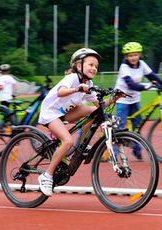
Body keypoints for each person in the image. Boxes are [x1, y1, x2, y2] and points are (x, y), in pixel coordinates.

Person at [37, 48, 121, 196]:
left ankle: (80, 146)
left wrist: (116, 98)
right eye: (90, 65)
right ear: (78, 66)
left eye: (96, 66)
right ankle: (47, 175)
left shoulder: (88, 82)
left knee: (94, 112)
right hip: (50, 112)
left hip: (65, 113)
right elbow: (60, 92)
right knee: (67, 141)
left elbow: (99, 106)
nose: (94, 68)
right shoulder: (72, 78)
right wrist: (77, 89)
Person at [114, 42, 162, 160]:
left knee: (138, 125)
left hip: (135, 99)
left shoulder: (142, 64)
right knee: (120, 127)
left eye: (135, 55)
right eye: (130, 55)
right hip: (122, 99)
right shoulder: (124, 67)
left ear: (139, 55)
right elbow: (130, 84)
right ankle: (114, 154)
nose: (133, 58)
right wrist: (145, 87)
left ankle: (137, 151)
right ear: (126, 57)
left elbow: (153, 76)